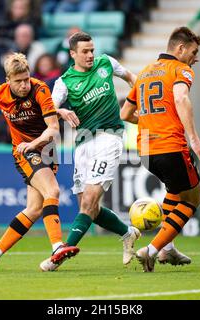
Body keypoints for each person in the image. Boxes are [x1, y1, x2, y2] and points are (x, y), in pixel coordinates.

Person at [0, 52, 79, 272]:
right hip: (24, 151)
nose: (24, 85)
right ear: (8, 81)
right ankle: (57, 246)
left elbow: (53, 129)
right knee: (52, 191)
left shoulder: (40, 89)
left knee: (33, 209)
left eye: (26, 79)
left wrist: (35, 143)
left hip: (46, 149)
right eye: (19, 81)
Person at [39, 31, 140, 271]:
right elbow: (48, 109)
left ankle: (60, 255)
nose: (90, 55)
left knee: (90, 203)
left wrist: (141, 99)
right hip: (83, 144)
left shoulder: (106, 63)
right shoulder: (65, 82)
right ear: (72, 54)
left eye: (92, 50)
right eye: (84, 51)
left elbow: (131, 78)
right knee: (88, 208)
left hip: (110, 138)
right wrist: (61, 111)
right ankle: (128, 233)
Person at [120, 26, 200, 272]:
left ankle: (167, 249)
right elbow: (181, 98)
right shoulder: (181, 70)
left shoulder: (145, 72)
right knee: (193, 198)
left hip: (146, 151)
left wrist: (150, 120)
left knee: (176, 191)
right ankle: (150, 250)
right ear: (180, 49)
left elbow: (125, 113)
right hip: (171, 146)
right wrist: (195, 139)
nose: (195, 58)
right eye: (193, 52)